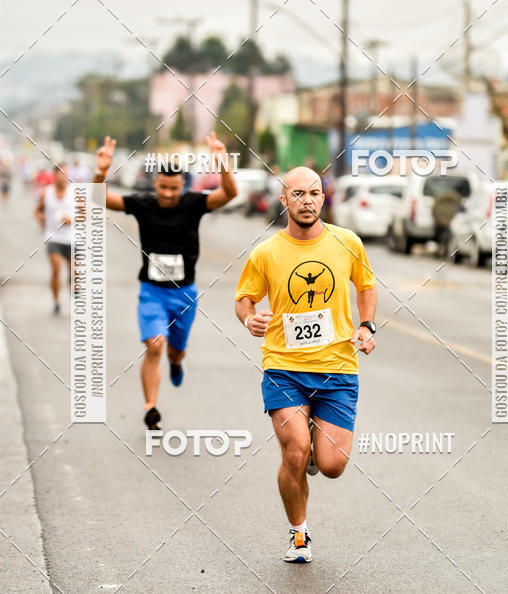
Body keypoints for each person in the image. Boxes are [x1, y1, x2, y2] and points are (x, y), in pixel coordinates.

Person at [234, 166, 377, 563]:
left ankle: (318, 449)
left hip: (338, 369)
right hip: (283, 367)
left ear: (323, 197)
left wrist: (365, 325)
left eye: (314, 193)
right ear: (284, 201)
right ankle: (299, 534)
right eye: (297, 194)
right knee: (294, 451)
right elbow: (244, 299)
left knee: (332, 466)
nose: (307, 200)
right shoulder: (266, 252)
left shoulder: (346, 242)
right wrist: (250, 319)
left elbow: (365, 286)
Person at [93, 133, 238, 429]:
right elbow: (98, 198)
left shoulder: (194, 203)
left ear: (182, 185)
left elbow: (230, 194)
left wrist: (222, 162)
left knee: (174, 350)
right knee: (155, 346)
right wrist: (101, 171)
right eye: (163, 187)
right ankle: (151, 408)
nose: (168, 194)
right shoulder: (143, 204)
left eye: (174, 188)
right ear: (155, 183)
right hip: (152, 292)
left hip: (184, 294)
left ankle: (175, 361)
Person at [34, 163, 73, 314]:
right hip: (53, 236)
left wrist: (72, 220)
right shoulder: (47, 193)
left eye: (67, 173)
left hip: (73, 238)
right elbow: (37, 211)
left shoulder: (75, 193)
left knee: (75, 271)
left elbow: (85, 214)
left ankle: (72, 286)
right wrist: (41, 219)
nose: (65, 176)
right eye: (62, 173)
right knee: (56, 268)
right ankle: (56, 301)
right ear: (55, 175)